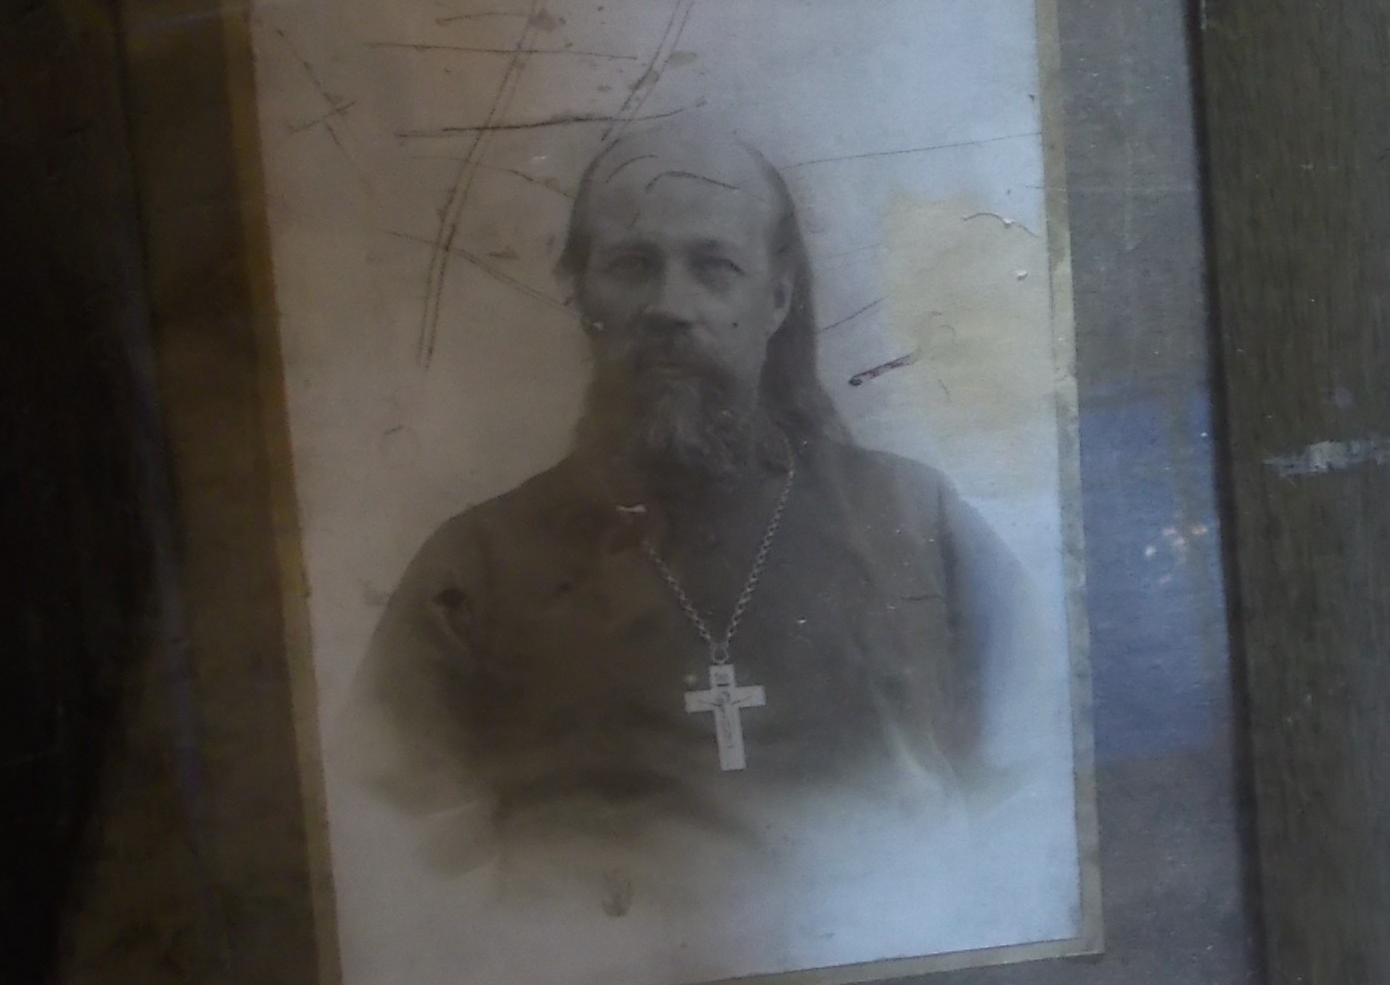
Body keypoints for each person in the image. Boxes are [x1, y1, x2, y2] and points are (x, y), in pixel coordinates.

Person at [358, 114, 1023, 850]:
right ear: (580, 295)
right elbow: (388, 849)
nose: (670, 307)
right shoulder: (473, 570)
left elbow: (1033, 803)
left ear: (777, 300)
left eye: (714, 267)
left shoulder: (916, 520)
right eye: (632, 266)